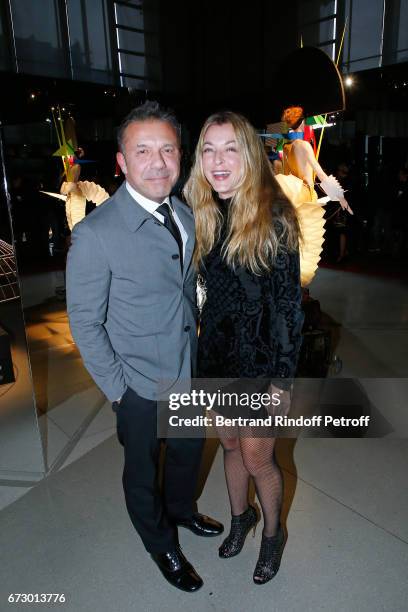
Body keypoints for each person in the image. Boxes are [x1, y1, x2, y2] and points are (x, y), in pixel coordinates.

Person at [66, 101, 223, 593]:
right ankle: (162, 545)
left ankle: (182, 511)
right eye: (143, 151)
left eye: (168, 150)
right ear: (121, 162)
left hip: (186, 369)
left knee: (186, 454)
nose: (158, 162)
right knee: (141, 473)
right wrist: (120, 392)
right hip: (137, 384)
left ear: (180, 156)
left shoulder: (184, 213)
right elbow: (85, 324)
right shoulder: (96, 234)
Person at [184, 111, 304, 584]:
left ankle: (273, 533)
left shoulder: (274, 215)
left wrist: (282, 381)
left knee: (258, 458)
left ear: (250, 154)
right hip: (215, 357)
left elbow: (289, 309)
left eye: (230, 147)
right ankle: (241, 518)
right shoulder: (205, 212)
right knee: (230, 443)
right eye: (209, 149)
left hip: (259, 363)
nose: (218, 160)